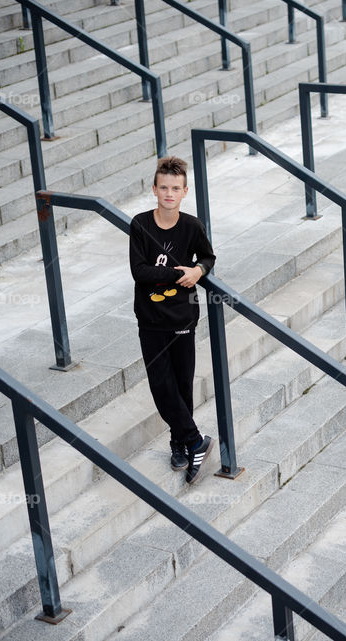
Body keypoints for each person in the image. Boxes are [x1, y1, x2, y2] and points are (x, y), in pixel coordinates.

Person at [130, 156, 217, 484]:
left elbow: (208, 257)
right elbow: (139, 271)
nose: (169, 193)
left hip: (183, 317)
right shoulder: (140, 225)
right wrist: (176, 273)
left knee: (181, 384)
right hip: (151, 320)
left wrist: (197, 271)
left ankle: (180, 444)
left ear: (184, 192)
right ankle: (196, 441)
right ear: (154, 189)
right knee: (160, 385)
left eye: (175, 188)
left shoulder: (192, 227)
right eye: (163, 187)